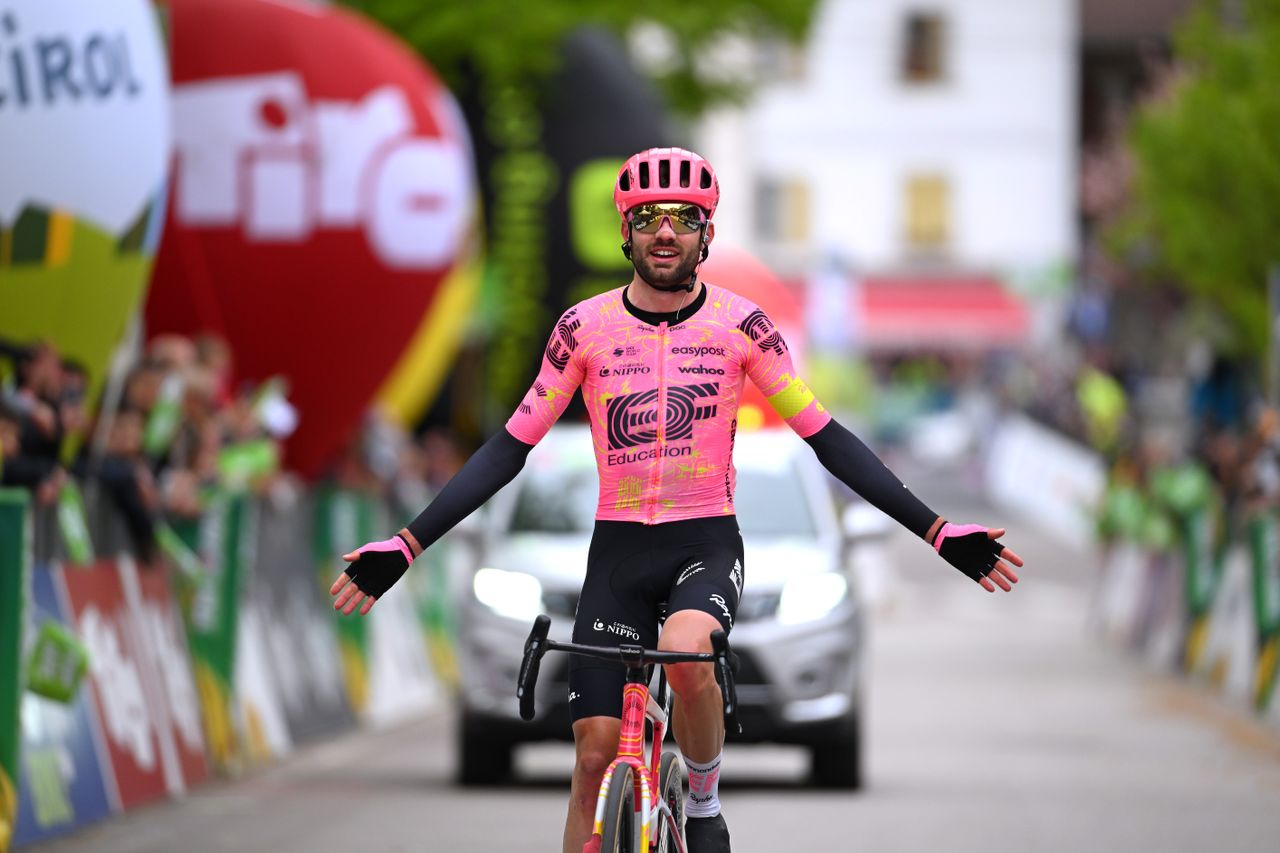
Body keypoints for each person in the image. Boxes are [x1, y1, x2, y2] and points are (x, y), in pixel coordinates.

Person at [330, 147, 1025, 853]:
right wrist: (407, 543)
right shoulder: (583, 330)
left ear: (707, 235)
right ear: (624, 233)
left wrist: (937, 531)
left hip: (704, 543)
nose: (666, 232)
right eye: (649, 218)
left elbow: (827, 438)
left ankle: (702, 796)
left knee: (686, 649)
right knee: (595, 757)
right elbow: (510, 449)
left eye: (684, 219)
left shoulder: (742, 326)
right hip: (617, 552)